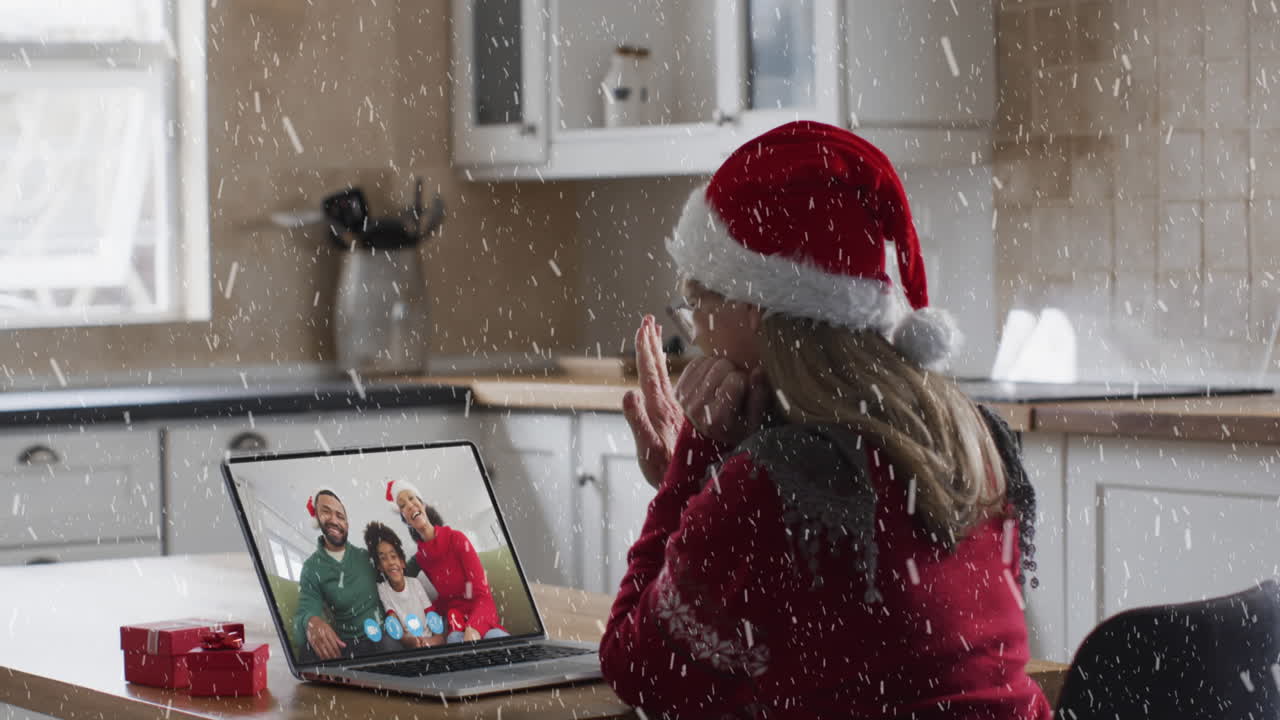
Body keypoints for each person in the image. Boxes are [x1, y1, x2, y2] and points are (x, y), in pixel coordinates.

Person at [603, 121, 1051, 719]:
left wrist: (695, 466)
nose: (698, 332)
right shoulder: (969, 437)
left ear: (755, 308)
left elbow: (638, 668)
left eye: (699, 301)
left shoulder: (773, 484)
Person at [386, 479, 510, 643]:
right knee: (454, 641)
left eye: (411, 498)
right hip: (456, 622)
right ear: (405, 520)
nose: (409, 505)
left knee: (497, 641)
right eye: (402, 506)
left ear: (422, 504)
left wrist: (474, 628)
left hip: (481, 617)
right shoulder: (422, 558)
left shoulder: (456, 539)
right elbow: (446, 599)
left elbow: (483, 595)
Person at [293, 489, 401, 661]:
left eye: (340, 516)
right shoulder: (311, 568)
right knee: (306, 653)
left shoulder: (366, 557)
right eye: (326, 512)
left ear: (347, 524)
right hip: (347, 644)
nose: (334, 520)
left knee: (392, 647)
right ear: (317, 518)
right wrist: (310, 621)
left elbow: (398, 574)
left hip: (382, 634)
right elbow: (304, 612)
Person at [363, 521, 446, 649]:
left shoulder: (414, 583)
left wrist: (430, 642)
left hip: (429, 638)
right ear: (379, 567)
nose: (390, 562)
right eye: (383, 558)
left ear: (402, 562)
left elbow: (434, 622)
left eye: (393, 556)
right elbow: (394, 624)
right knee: (388, 641)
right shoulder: (383, 589)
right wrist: (411, 641)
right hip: (409, 642)